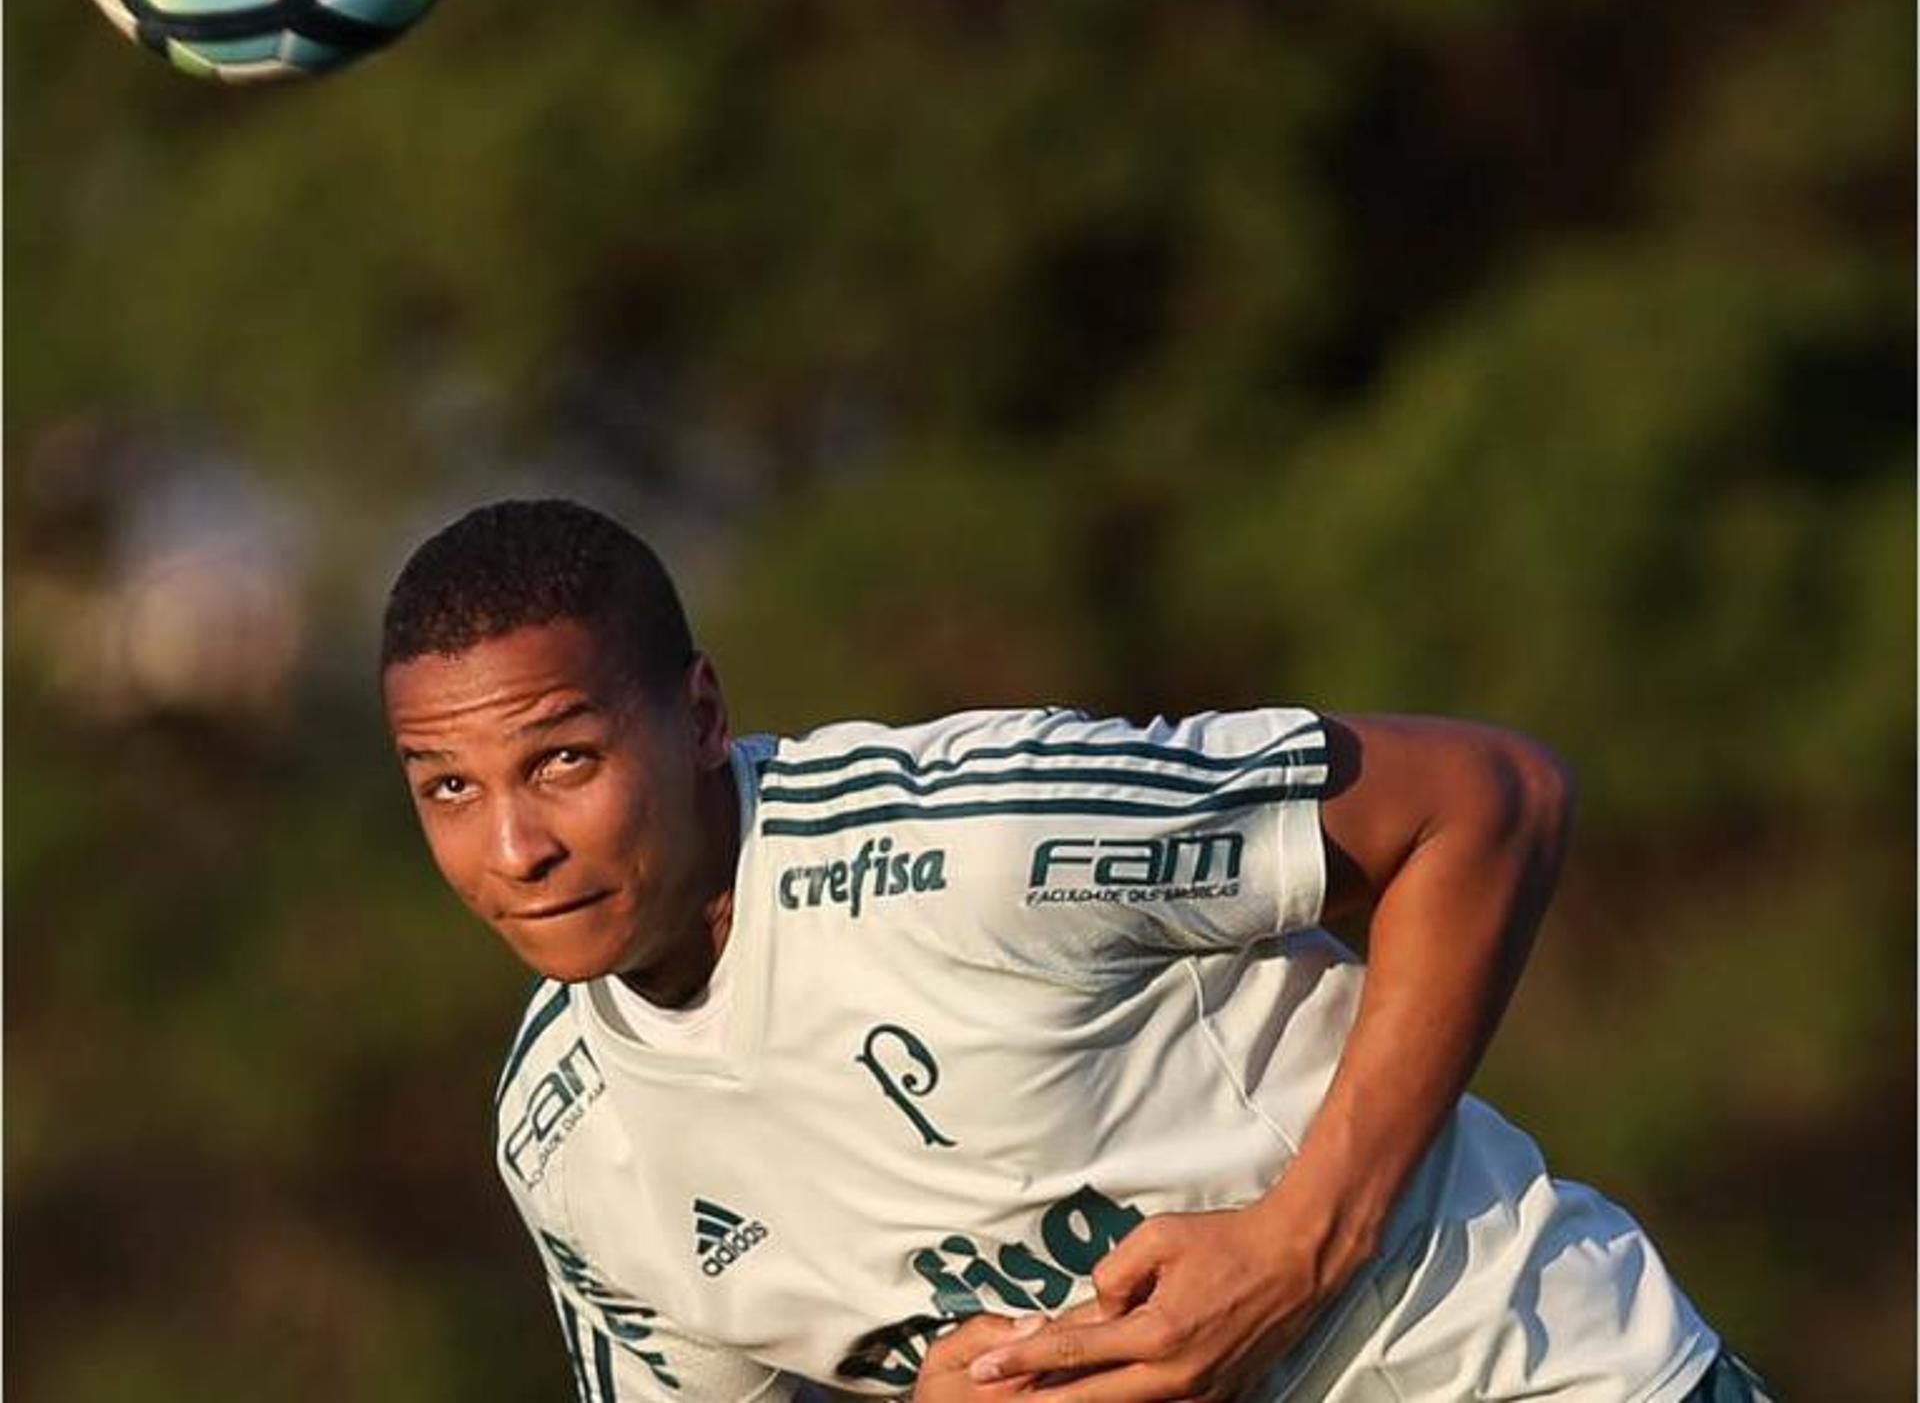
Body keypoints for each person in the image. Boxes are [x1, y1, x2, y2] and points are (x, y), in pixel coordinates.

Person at [380, 498, 1771, 1403]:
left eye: (564, 761)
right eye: (449, 789)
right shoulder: (568, 1143)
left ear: (694, 717)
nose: (512, 850)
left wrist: (1297, 1251)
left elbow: (1487, 804)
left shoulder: (979, 843)